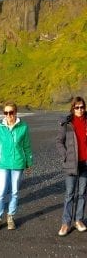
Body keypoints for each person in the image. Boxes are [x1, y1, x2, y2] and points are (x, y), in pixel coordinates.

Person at [0, 101, 33, 232]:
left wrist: (29, 163)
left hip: (18, 164)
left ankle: (10, 217)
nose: (8, 115)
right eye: (6, 112)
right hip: (2, 163)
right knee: (1, 191)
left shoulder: (23, 127)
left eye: (11, 112)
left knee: (14, 191)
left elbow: (27, 146)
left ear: (15, 113)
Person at [56, 96, 87, 236]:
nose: (80, 110)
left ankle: (79, 220)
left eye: (82, 107)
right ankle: (66, 223)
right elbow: (59, 142)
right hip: (71, 164)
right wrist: (65, 156)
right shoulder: (67, 123)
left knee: (82, 193)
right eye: (77, 107)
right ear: (73, 108)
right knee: (69, 194)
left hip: (85, 163)